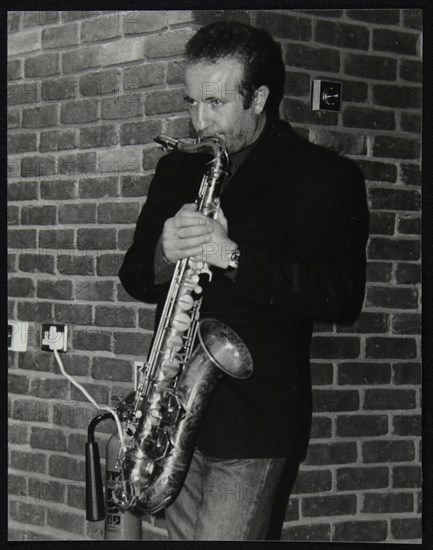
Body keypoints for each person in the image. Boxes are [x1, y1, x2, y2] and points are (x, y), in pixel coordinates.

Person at [119, 21, 369, 540]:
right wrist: (165, 254)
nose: (199, 120)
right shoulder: (175, 171)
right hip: (172, 415)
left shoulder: (323, 176)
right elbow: (136, 277)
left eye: (215, 102)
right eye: (191, 102)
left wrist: (230, 255)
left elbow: (340, 295)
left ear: (258, 97)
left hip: (256, 419)